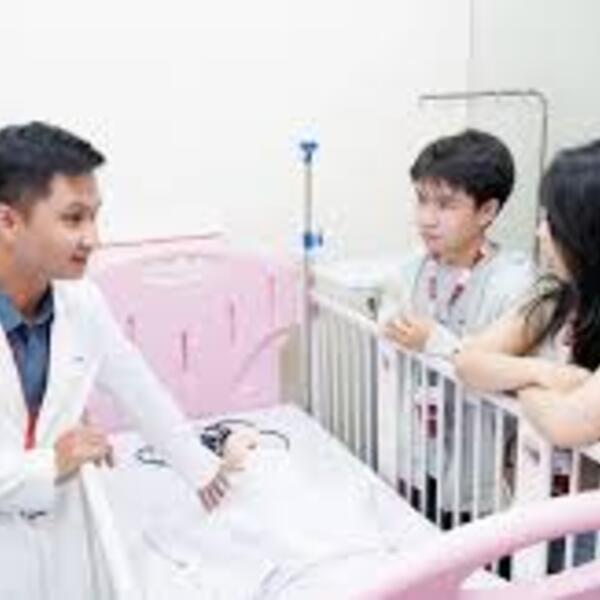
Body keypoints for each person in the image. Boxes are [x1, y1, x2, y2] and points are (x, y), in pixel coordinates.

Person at [0, 121, 252, 599]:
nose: (93, 238)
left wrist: (201, 470)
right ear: (8, 221)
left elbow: (137, 387)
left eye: (94, 217)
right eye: (73, 219)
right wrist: (52, 463)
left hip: (55, 532)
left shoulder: (82, 302)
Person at [380, 129, 535, 522]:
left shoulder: (513, 283)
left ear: (487, 211)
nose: (426, 219)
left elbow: (505, 371)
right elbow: (387, 319)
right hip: (418, 456)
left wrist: (434, 341)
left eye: (446, 205)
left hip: (480, 464)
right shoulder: (412, 270)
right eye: (421, 199)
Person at [455, 140, 600, 448]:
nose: (540, 232)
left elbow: (566, 425)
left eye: (553, 222)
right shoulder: (555, 297)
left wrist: (519, 378)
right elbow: (468, 362)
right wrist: (543, 373)